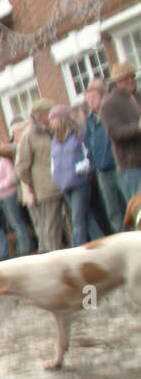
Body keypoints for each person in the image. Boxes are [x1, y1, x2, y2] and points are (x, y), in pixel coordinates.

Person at [16, 99, 67, 253]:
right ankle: (56, 261)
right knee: (52, 229)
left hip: (65, 182)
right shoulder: (29, 135)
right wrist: (33, 183)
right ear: (41, 116)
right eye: (49, 114)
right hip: (46, 189)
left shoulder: (55, 129)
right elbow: (22, 166)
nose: (52, 116)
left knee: (72, 223)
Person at [49, 105, 104, 247]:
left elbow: (88, 155)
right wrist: (55, 176)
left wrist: (79, 169)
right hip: (64, 184)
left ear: (61, 119)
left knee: (77, 219)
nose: (52, 123)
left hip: (79, 182)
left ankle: (76, 250)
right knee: (86, 216)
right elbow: (54, 161)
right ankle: (101, 243)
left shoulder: (78, 134)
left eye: (54, 119)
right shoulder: (55, 140)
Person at [83, 78, 126, 233]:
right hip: (102, 171)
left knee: (130, 203)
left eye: (93, 98)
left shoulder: (110, 112)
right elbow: (87, 143)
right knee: (113, 210)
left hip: (118, 165)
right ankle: (121, 240)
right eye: (87, 98)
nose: (90, 102)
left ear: (102, 96)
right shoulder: (89, 120)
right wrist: (94, 164)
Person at [99, 61, 141, 206]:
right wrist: (138, 128)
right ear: (117, 82)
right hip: (131, 165)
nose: (131, 80)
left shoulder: (139, 97)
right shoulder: (109, 104)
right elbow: (115, 132)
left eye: (132, 76)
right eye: (125, 78)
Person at [0, 121, 35, 255]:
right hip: (1, 197)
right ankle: (22, 244)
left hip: (9, 194)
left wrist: (0, 187)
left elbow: (12, 177)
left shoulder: (4, 162)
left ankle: (25, 245)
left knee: (17, 221)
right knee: (12, 223)